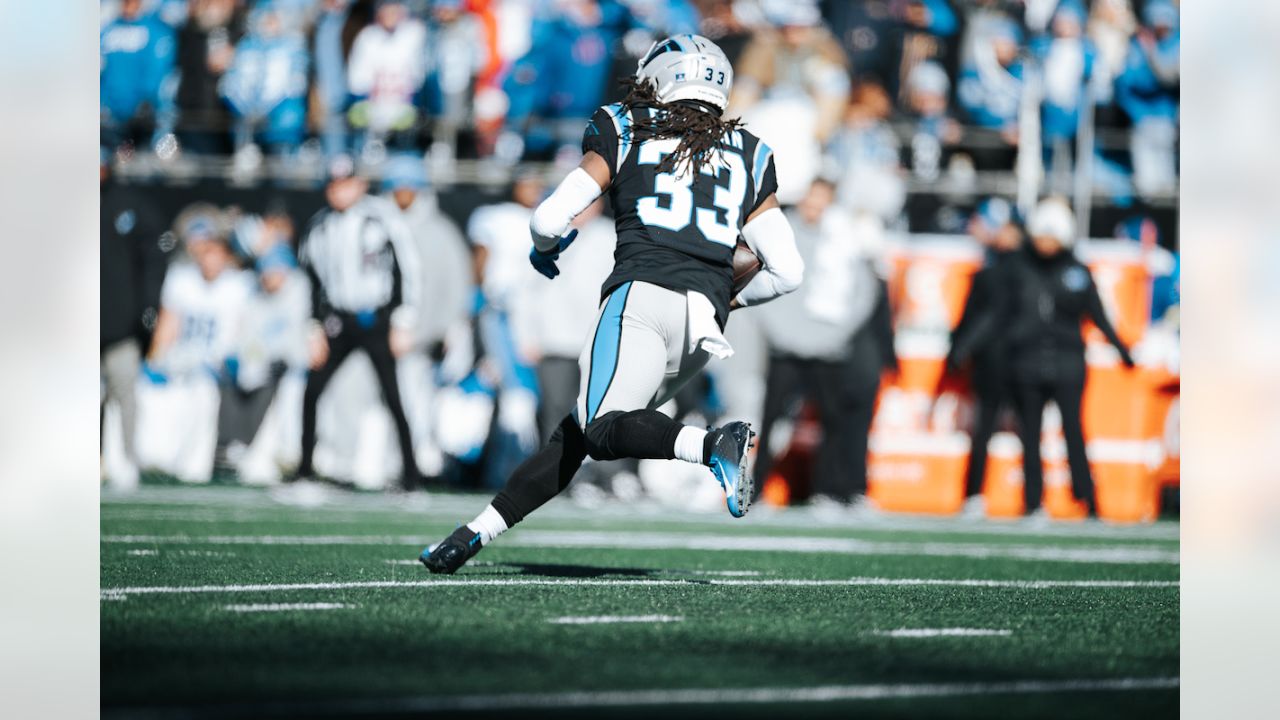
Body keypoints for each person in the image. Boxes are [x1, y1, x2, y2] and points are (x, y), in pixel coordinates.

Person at [421, 34, 804, 574]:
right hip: (704, 327)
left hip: (642, 300)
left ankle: (713, 444)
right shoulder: (750, 153)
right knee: (580, 431)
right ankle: (472, 535)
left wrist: (545, 249)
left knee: (602, 427)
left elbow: (549, 218)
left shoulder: (626, 125)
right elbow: (788, 271)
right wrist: (726, 301)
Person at [753, 178, 892, 510]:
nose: (814, 206)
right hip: (786, 347)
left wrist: (836, 334)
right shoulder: (779, 232)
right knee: (769, 420)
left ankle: (826, 490)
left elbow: (863, 292)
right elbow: (761, 282)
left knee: (833, 421)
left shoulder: (843, 238)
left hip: (828, 347)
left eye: (822, 200)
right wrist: (782, 331)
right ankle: (753, 489)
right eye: (811, 198)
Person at [296, 156, 425, 490]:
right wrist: (314, 328)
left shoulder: (380, 218)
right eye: (333, 185)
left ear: (360, 184)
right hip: (338, 320)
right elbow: (311, 282)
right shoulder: (318, 225)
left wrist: (403, 320)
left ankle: (411, 476)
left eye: (345, 184)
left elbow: (407, 267)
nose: (339, 191)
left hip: (376, 318)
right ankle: (304, 471)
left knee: (394, 396)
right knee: (311, 391)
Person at [1004, 198, 1134, 519]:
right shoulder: (1019, 268)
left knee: (1073, 431)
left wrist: (1122, 349)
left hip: (1067, 363)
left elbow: (1098, 314)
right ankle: (1033, 501)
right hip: (1028, 362)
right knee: (1030, 434)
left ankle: (1087, 499)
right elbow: (1002, 316)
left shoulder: (1077, 271)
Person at [137, 204, 254, 484]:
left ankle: (193, 467)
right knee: (147, 387)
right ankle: (153, 458)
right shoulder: (181, 278)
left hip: (218, 362)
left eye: (213, 249)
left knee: (202, 392)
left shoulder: (240, 284)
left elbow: (246, 332)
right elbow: (168, 325)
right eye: (204, 249)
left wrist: (235, 359)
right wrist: (155, 360)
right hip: (184, 357)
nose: (207, 256)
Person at [946, 197, 1021, 514]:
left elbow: (987, 317)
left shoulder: (1012, 268)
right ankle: (976, 492)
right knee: (987, 428)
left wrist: (961, 348)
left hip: (1015, 359)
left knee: (1023, 430)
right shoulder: (993, 265)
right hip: (997, 361)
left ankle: (1032, 498)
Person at [100, 149, 168, 488]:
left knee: (125, 391)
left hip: (119, 323)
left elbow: (153, 261)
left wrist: (146, 308)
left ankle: (127, 459)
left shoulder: (130, 205)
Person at [100, 0, 177, 151]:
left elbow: (159, 73)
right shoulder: (107, 30)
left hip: (145, 119)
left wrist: (147, 102)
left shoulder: (157, 31)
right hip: (110, 119)